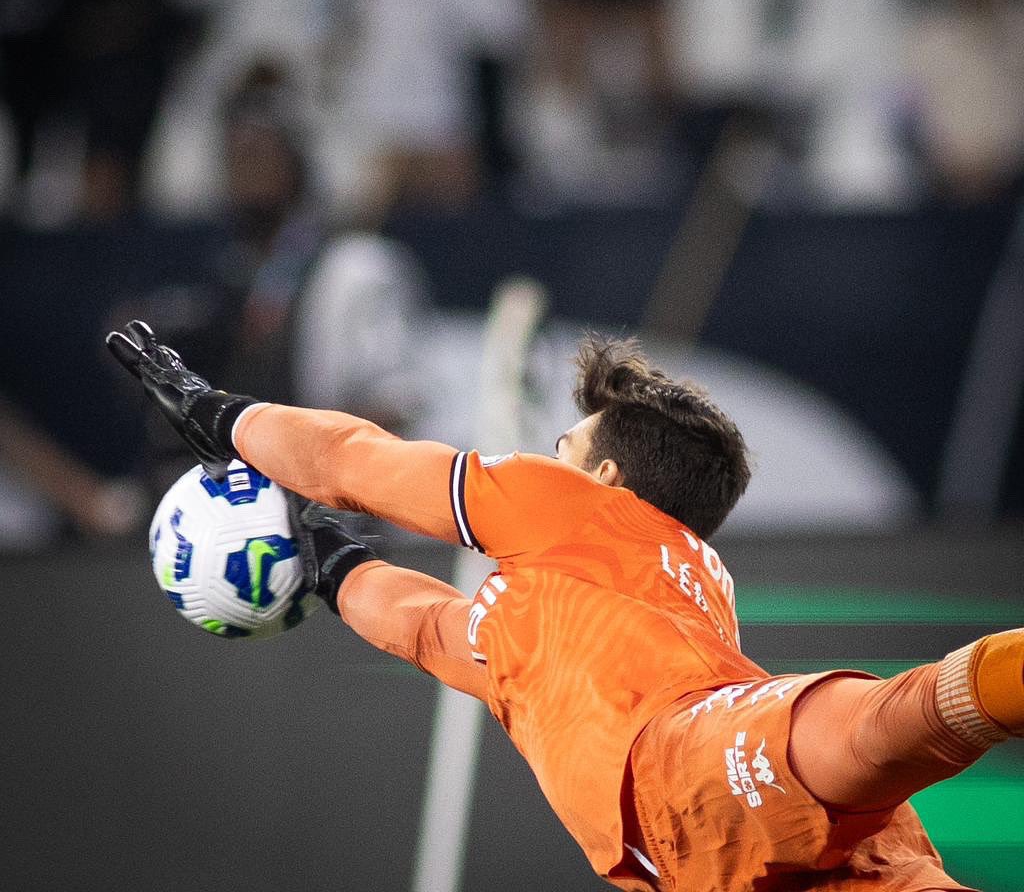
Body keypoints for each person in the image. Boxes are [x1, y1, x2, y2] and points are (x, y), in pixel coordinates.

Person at [105, 320, 1021, 892]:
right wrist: (325, 565)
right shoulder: (576, 611)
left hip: (703, 764)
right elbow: (429, 628)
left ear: (608, 477)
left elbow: (354, 460)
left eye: (564, 441)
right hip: (711, 854)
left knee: (894, 720)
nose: (544, 456)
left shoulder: (573, 510)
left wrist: (222, 415)